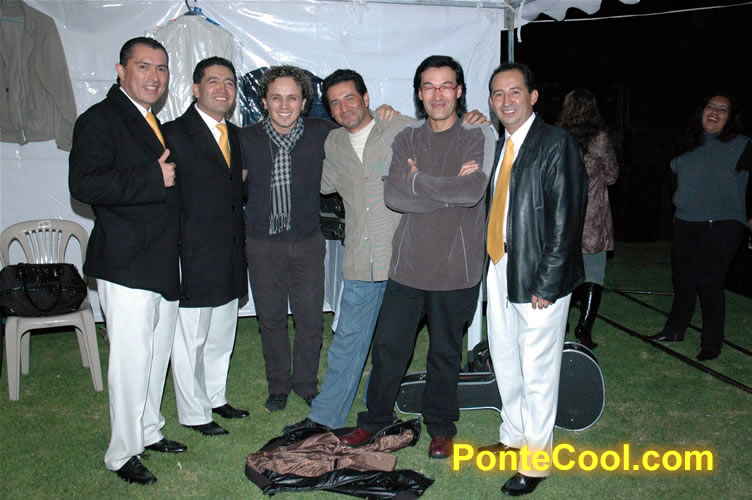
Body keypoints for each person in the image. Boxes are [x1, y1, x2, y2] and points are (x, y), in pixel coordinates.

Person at [338, 55, 495, 460]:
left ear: (459, 91)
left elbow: (471, 192)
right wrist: (445, 189)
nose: (437, 94)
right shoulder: (406, 138)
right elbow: (394, 196)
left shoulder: (478, 133)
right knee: (389, 348)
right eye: (429, 86)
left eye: (446, 86)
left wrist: (417, 180)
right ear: (419, 93)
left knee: (444, 352)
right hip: (407, 267)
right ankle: (374, 419)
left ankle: (441, 427)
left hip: (456, 270)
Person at [68, 37, 185, 486]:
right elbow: (84, 184)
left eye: (161, 68)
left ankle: (149, 430)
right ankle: (122, 452)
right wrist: (152, 176)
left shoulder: (150, 119)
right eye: (143, 66)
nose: (154, 77)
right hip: (126, 261)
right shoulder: (99, 119)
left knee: (156, 356)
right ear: (121, 70)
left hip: (162, 259)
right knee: (131, 361)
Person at [482, 62, 587, 496]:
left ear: (533, 96)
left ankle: (537, 461)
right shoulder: (502, 145)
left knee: (538, 369)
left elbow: (567, 218)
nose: (506, 101)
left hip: (538, 271)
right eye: (498, 94)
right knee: (505, 357)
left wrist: (549, 281)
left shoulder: (555, 143)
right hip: (499, 265)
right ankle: (513, 436)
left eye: (514, 92)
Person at [239, 66, 337, 412]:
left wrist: (386, 113)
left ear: (304, 102)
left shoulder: (322, 132)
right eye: (276, 97)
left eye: (292, 98)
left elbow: (363, 130)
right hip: (261, 244)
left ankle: (306, 384)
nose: (284, 105)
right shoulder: (245, 138)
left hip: (308, 242)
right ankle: (278, 384)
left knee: (310, 320)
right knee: (271, 320)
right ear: (264, 101)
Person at [162, 57, 249, 437]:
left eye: (229, 82)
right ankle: (194, 412)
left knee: (221, 335)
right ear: (196, 89)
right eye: (213, 81)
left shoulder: (237, 136)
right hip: (192, 253)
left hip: (230, 254)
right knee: (190, 340)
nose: (222, 89)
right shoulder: (172, 134)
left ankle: (215, 397)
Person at [650, 93, 751, 361]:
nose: (714, 112)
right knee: (683, 280)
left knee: (709, 281)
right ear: (701, 112)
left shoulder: (741, 145)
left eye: (722, 109)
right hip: (686, 223)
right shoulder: (686, 143)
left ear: (731, 117)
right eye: (710, 107)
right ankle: (674, 330)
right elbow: (676, 179)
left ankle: (711, 343)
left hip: (723, 224)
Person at [556, 88, 619, 349]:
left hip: (562, 216)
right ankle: (584, 329)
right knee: (593, 273)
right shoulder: (600, 139)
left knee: (563, 272)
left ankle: (560, 323)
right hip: (592, 217)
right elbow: (612, 175)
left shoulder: (558, 137)